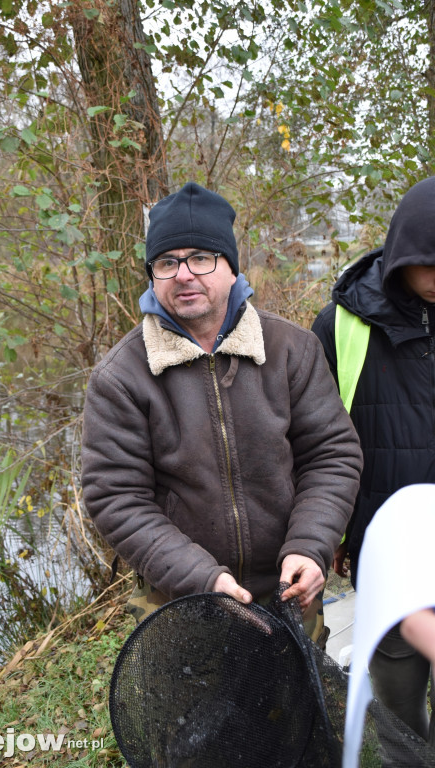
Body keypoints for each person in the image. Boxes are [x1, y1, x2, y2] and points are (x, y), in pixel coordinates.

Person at [81, 181, 363, 647]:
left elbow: (332, 455)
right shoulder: (121, 375)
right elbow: (116, 497)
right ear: (152, 275)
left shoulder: (292, 349)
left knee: (291, 716)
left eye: (201, 258)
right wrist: (202, 578)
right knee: (191, 719)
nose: (184, 274)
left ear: (231, 267)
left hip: (289, 590)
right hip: (181, 600)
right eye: (167, 262)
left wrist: (311, 546)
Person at [312, 176, 435, 743]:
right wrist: (336, 531)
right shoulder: (343, 324)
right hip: (386, 539)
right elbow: (316, 441)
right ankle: (405, 748)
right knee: (397, 673)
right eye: (427, 264)